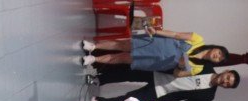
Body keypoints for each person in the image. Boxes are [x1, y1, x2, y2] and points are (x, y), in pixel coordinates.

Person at [96, 66, 240, 101]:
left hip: (162, 91)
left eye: (228, 84)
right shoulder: (206, 66)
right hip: (159, 72)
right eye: (228, 77)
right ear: (226, 71)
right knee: (127, 74)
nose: (225, 81)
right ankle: (99, 79)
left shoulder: (208, 96)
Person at [81, 28, 229, 76]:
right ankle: (93, 47)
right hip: (159, 44)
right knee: (124, 44)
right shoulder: (198, 39)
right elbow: (176, 35)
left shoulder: (198, 68)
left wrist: (181, 66)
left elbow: (176, 75)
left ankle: (94, 59)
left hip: (159, 62)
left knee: (124, 58)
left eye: (219, 59)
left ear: (215, 62)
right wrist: (157, 31)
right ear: (216, 47)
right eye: (220, 52)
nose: (217, 56)